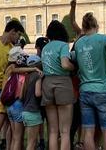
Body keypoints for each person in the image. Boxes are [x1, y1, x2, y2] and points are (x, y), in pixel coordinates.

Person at [0, 46, 43, 150]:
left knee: (11, 132)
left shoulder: (12, 69)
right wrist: (33, 68)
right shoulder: (12, 68)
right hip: (7, 104)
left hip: (7, 103)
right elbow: (18, 70)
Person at [74, 13, 106, 150]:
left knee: (88, 131)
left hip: (85, 90)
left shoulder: (78, 43)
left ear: (83, 28)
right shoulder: (102, 39)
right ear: (96, 26)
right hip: (103, 90)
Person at [41, 20, 75, 150]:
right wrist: (74, 67)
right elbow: (65, 64)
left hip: (47, 84)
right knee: (65, 131)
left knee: (53, 131)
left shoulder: (45, 47)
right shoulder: (63, 45)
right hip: (62, 83)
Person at [21, 57, 44, 150]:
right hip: (33, 112)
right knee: (32, 143)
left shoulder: (27, 76)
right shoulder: (37, 75)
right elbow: (38, 93)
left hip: (25, 112)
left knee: (31, 142)